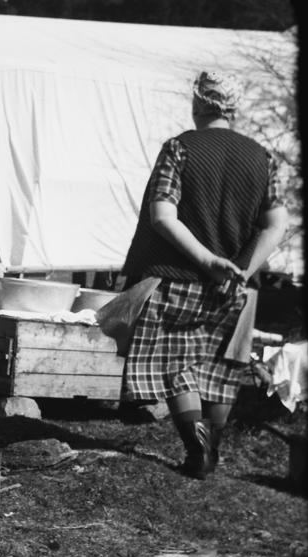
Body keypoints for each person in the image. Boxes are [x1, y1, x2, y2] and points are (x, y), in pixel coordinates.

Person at [120, 71, 288, 479]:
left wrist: (207, 259)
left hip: (178, 276)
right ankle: (210, 449)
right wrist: (241, 269)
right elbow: (277, 225)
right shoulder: (263, 158)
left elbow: (162, 216)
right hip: (237, 285)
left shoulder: (180, 148)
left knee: (177, 366)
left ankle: (198, 453)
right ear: (234, 107)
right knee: (221, 367)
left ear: (197, 103)